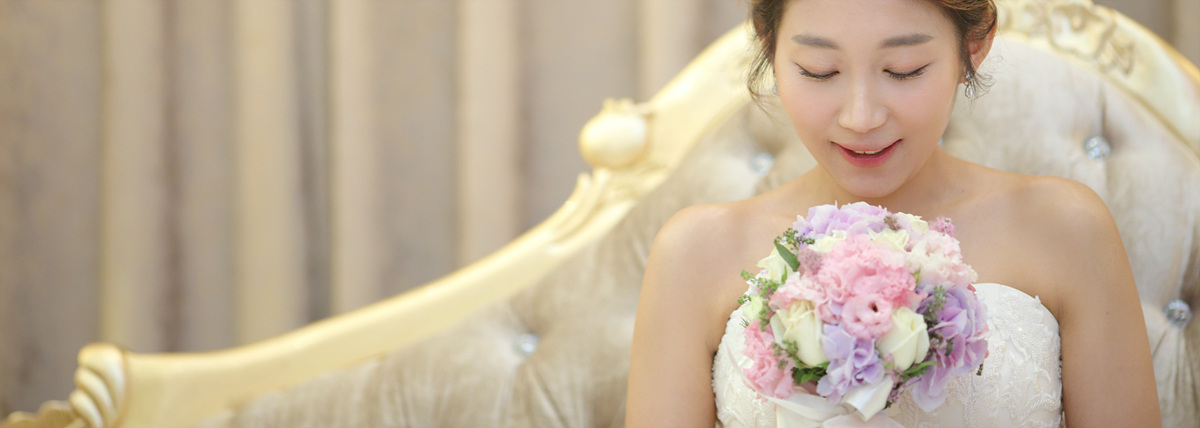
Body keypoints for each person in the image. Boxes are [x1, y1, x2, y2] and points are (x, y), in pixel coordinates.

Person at [624, 0, 1161, 426]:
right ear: (770, 46)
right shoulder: (695, 250)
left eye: (904, 71)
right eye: (820, 71)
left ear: (973, 46)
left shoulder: (1066, 227)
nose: (861, 117)